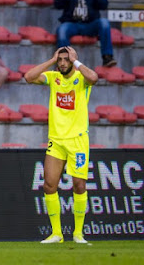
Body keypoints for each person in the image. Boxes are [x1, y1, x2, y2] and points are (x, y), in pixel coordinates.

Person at [25, 46, 98, 244]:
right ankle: (56, 233)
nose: (63, 63)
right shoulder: (53, 77)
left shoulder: (81, 78)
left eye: (67, 59)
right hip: (56, 140)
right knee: (49, 185)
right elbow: (28, 77)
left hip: (77, 140)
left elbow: (94, 78)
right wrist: (51, 60)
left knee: (79, 185)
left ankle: (78, 234)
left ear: (73, 60)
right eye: (61, 60)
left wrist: (77, 62)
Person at [54, 0, 117, 67]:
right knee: (62, 30)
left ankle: (107, 57)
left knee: (104, 22)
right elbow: (57, 5)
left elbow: (104, 5)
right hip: (72, 23)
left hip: (90, 24)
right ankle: (65, 62)